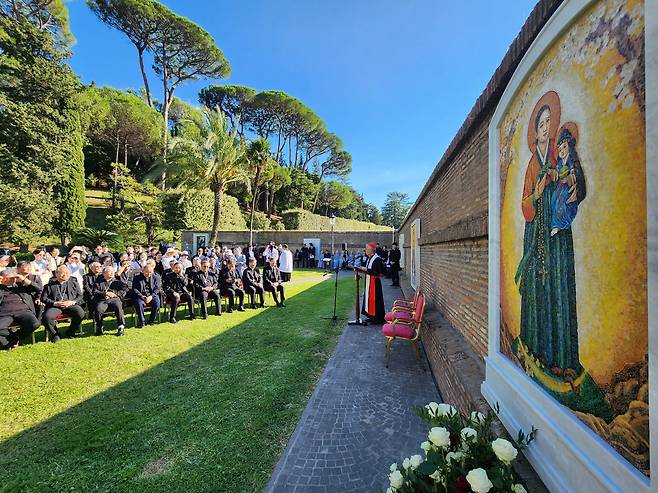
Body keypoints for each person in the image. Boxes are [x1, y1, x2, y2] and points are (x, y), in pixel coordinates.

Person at [0, 267, 42, 349]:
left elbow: (38, 288)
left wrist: (23, 279)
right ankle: (11, 341)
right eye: (8, 278)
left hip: (23, 311)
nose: (12, 279)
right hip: (5, 313)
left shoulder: (20, 286)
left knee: (34, 324)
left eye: (13, 277)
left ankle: (15, 339)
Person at [42, 265, 85, 342]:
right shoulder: (49, 285)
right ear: (56, 274)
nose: (65, 275)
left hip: (70, 305)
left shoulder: (73, 283)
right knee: (47, 317)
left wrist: (72, 302)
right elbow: (44, 298)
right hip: (55, 306)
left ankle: (70, 331)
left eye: (67, 273)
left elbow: (80, 296)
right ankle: (55, 334)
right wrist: (55, 303)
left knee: (80, 313)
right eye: (62, 273)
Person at [92, 266, 127, 336]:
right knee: (98, 310)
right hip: (103, 300)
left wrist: (114, 294)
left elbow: (124, 290)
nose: (112, 273)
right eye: (109, 272)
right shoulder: (98, 282)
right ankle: (100, 327)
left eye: (112, 271)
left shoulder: (118, 281)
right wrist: (104, 293)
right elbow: (94, 291)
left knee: (118, 307)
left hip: (114, 299)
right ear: (104, 273)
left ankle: (121, 327)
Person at [356, 242, 385, 324]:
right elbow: (370, 269)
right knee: (369, 299)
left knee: (375, 300)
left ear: (371, 250)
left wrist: (365, 269)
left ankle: (377, 318)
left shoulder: (377, 259)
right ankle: (371, 316)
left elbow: (377, 272)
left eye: (367, 249)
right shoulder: (370, 258)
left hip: (375, 283)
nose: (365, 250)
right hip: (369, 281)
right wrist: (364, 268)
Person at [131, 263, 162, 328]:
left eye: (150, 272)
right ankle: (142, 322)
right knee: (139, 304)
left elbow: (157, 288)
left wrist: (151, 296)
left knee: (157, 303)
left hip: (152, 295)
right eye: (147, 272)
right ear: (143, 271)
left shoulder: (156, 277)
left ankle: (151, 320)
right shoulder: (137, 278)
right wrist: (142, 296)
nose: (149, 274)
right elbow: (134, 289)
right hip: (140, 296)